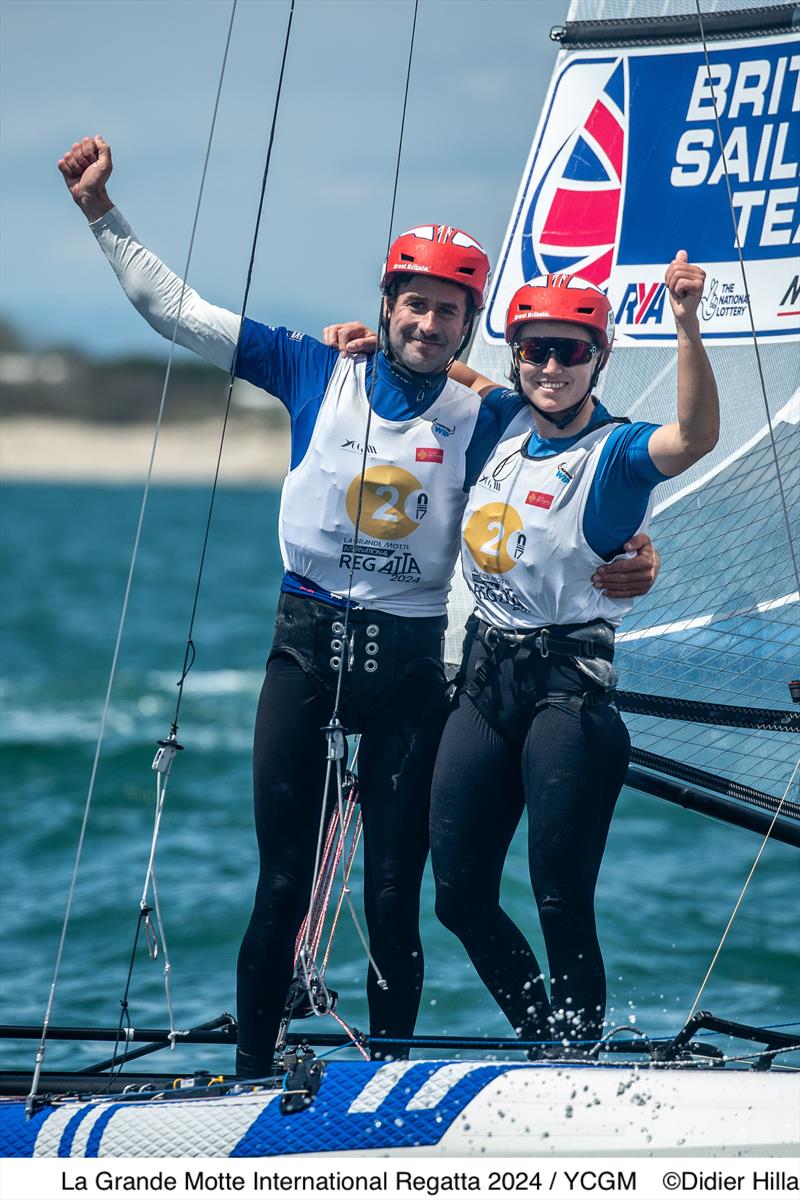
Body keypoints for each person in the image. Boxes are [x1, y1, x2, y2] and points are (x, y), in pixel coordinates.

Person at [58, 134, 659, 1073]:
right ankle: (254, 1075)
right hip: (302, 658)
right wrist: (101, 211)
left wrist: (637, 551)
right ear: (384, 306)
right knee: (282, 888)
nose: (427, 322)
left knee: (392, 894)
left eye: (448, 311)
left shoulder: (487, 412)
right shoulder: (313, 368)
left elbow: (588, 444)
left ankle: (388, 1073)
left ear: (468, 329)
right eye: (414, 303)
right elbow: (177, 313)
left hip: (414, 679)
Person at [425, 265, 719, 1054]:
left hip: (569, 696)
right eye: (535, 350)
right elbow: (452, 362)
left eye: (570, 352)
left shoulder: (617, 452)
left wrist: (688, 326)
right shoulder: (498, 419)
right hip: (486, 682)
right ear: (517, 353)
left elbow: (693, 438)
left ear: (600, 358)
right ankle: (545, 1040)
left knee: (559, 898)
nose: (551, 368)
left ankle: (577, 1056)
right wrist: (358, 345)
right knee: (456, 896)